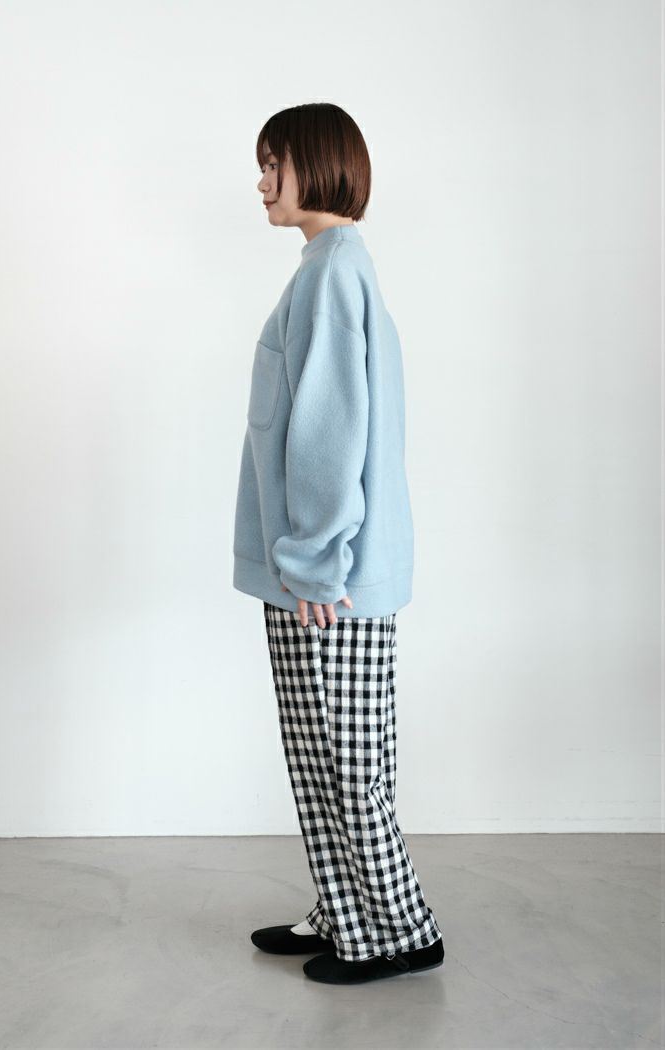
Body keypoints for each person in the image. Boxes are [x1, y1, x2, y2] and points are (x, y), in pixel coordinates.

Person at [232, 102, 445, 985]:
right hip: (316, 572)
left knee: (351, 765)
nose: (261, 183)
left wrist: (316, 559)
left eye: (273, 163)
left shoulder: (333, 272)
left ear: (315, 165)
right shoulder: (331, 265)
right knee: (322, 757)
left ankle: (400, 930)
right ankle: (345, 910)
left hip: (330, 577)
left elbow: (329, 433)